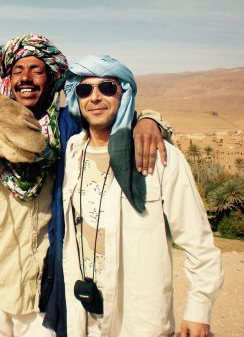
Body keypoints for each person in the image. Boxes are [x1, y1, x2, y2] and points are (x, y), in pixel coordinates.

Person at [0, 34, 171, 337]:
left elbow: (112, 117)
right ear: (8, 78)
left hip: (45, 290)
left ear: (51, 77)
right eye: (18, 70)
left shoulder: (67, 127)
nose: (27, 78)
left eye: (37, 69)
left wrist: (149, 120)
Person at [47, 55, 223, 336]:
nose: (95, 97)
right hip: (82, 312)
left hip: (138, 316)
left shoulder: (160, 156)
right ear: (76, 99)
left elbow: (197, 239)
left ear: (124, 94)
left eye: (107, 88)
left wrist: (199, 308)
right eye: (84, 90)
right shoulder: (71, 151)